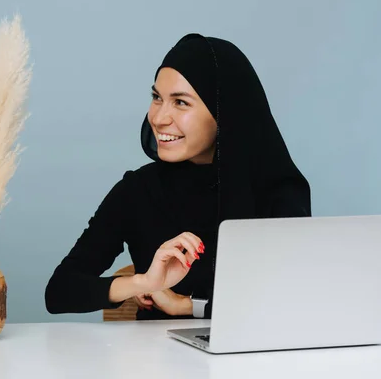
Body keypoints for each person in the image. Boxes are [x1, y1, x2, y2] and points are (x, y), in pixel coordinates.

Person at [44, 33, 311, 320]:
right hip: (155, 362)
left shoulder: (277, 191)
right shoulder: (137, 190)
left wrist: (185, 306)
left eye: (181, 102)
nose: (159, 118)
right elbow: (59, 291)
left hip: (252, 361)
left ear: (224, 113)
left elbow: (293, 302)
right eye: (157, 98)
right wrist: (143, 282)